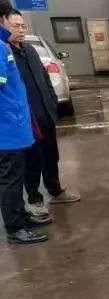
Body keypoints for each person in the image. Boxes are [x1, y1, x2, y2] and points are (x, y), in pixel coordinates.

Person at [8, 10, 79, 217]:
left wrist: (52, 102)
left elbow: (45, 78)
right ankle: (34, 199)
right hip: (26, 120)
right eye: (16, 26)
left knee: (51, 155)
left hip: (45, 115)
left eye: (23, 26)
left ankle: (55, 189)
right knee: (32, 162)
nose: (21, 30)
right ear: (4, 26)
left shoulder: (30, 50)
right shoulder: (6, 55)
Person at [0, 2, 48, 245]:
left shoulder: (4, 45)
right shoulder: (0, 47)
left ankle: (21, 216)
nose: (19, 28)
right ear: (2, 20)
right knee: (10, 180)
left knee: (17, 177)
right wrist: (14, 116)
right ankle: (15, 228)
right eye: (12, 21)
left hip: (14, 127)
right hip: (6, 129)